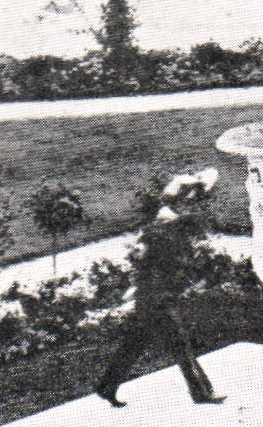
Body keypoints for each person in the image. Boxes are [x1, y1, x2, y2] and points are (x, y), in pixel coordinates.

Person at [94, 169, 224, 407]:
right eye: (193, 197)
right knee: (180, 344)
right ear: (184, 198)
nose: (196, 202)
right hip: (158, 296)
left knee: (135, 343)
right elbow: (161, 259)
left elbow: (147, 257)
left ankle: (107, 385)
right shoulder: (169, 223)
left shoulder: (165, 218)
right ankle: (201, 393)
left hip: (151, 294)